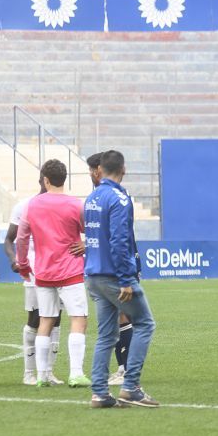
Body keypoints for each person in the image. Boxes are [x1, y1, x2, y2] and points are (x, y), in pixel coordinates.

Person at [84, 150, 158, 408]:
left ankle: (100, 393)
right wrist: (127, 278)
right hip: (114, 276)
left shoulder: (92, 197)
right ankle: (131, 387)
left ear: (100, 170)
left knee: (106, 335)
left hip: (93, 274)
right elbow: (119, 240)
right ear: (123, 169)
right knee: (145, 324)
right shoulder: (120, 198)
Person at [17, 160, 89, 388]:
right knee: (78, 319)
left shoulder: (32, 205)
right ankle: (76, 373)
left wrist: (23, 264)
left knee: (45, 321)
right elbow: (91, 231)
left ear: (45, 180)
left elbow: (21, 238)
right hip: (70, 271)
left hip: (44, 272)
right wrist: (85, 245)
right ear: (64, 179)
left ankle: (41, 375)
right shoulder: (76, 205)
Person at [3, 178, 62, 386]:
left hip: (58, 269)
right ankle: (29, 373)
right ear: (42, 181)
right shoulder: (24, 206)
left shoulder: (61, 205)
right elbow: (9, 239)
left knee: (56, 319)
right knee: (35, 320)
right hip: (34, 270)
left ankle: (48, 372)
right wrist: (14, 260)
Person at [88, 152, 131, 385]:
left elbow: (119, 238)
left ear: (100, 170)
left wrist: (127, 275)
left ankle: (123, 372)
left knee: (129, 319)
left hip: (111, 269)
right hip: (107, 269)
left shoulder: (113, 197)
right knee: (126, 322)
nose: (92, 175)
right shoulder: (101, 197)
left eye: (93, 170)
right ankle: (123, 374)